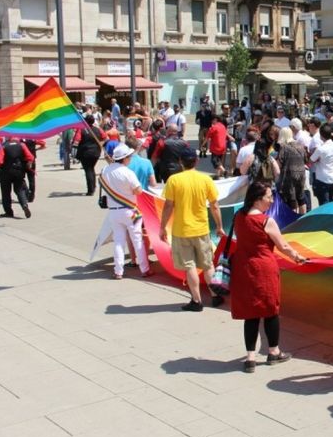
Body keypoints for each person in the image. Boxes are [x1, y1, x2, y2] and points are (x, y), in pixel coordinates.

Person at [230, 181, 307, 372]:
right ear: (257, 199)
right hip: (264, 269)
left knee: (250, 313)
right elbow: (283, 246)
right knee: (270, 310)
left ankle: (250, 358)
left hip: (244, 268)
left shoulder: (238, 216)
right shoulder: (266, 221)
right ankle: (274, 352)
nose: (272, 200)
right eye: (268, 197)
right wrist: (297, 257)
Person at [159, 148, 226, 311]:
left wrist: (162, 227)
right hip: (201, 229)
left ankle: (196, 301)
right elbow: (214, 205)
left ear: (180, 162)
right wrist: (219, 226)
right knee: (208, 265)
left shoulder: (174, 180)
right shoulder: (205, 180)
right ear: (196, 161)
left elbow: (168, 206)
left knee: (190, 266)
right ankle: (215, 296)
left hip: (181, 230)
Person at [100, 144, 151, 280]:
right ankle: (144, 269)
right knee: (137, 240)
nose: (130, 158)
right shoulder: (127, 172)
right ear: (125, 158)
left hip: (113, 211)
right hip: (130, 211)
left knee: (118, 241)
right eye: (129, 156)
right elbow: (138, 191)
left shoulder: (105, 170)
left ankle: (118, 271)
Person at [0, 136, 35, 218]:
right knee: (19, 190)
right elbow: (30, 157)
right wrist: (29, 164)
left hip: (5, 172)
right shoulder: (22, 145)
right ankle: (24, 205)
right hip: (18, 171)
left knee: (6, 192)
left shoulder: (3, 146)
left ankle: (9, 212)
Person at [276, 128, 307, 214]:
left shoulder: (284, 147)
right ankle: (302, 217)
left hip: (289, 175)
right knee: (301, 197)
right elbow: (305, 159)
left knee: (291, 199)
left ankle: (292, 219)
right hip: (301, 174)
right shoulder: (300, 145)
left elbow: (279, 164)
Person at [309, 124, 333, 206]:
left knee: (323, 203)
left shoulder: (321, 149)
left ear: (321, 135)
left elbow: (311, 160)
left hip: (322, 178)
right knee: (330, 200)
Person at [74, 115, 104, 195]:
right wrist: (101, 144)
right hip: (96, 152)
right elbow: (105, 137)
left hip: (85, 153)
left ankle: (90, 190)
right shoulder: (98, 129)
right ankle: (93, 186)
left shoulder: (81, 129)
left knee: (88, 170)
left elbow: (76, 140)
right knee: (91, 169)